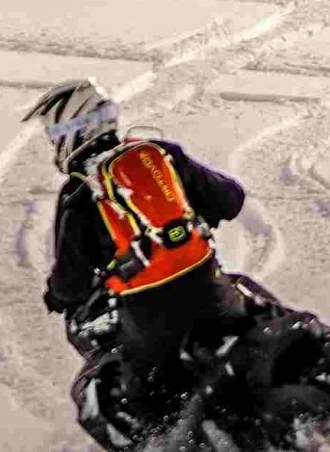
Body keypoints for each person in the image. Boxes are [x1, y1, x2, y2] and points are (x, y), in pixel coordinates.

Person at [28, 82, 250, 421]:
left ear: (72, 127)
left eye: (54, 133)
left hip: (148, 316)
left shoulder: (78, 193)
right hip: (210, 287)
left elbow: (71, 280)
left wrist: (56, 296)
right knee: (256, 316)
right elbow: (231, 199)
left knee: (142, 396)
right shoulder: (160, 153)